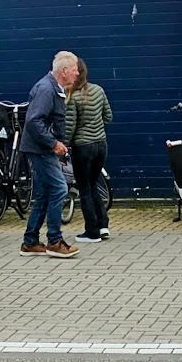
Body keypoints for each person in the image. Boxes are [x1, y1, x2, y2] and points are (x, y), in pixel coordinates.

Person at [18, 51, 79, 258]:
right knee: (60, 188)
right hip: (41, 150)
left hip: (41, 148)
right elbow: (34, 120)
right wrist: (53, 143)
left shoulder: (53, 88)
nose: (77, 74)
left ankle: (30, 241)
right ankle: (54, 240)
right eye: (74, 69)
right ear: (64, 71)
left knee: (43, 195)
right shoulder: (46, 89)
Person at [64, 57, 114, 244]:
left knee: (84, 188)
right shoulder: (98, 90)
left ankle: (91, 231)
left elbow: (70, 127)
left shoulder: (72, 97)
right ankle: (103, 225)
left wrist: (63, 145)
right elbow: (108, 116)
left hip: (83, 147)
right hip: (101, 145)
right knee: (93, 184)